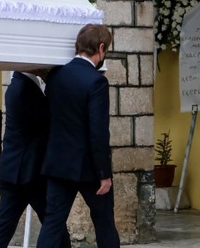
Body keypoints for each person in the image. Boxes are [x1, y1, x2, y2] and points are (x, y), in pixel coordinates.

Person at [36, 24, 120, 248]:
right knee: (104, 223)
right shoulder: (96, 81)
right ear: (100, 48)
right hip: (88, 167)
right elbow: (98, 131)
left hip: (58, 164)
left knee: (52, 224)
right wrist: (104, 173)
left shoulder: (55, 75)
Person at [0, 71, 70, 248]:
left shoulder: (18, 85)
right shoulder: (24, 87)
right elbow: (47, 118)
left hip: (13, 171)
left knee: (4, 228)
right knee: (54, 224)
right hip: (30, 173)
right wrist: (52, 83)